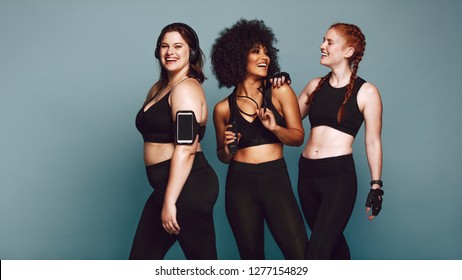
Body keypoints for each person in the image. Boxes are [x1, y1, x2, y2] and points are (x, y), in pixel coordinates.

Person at [210, 19, 309, 260]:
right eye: (256, 51)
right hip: (239, 184)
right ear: (236, 57)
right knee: (251, 259)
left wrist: (274, 128)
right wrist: (228, 147)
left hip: (275, 180)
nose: (264, 56)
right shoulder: (222, 108)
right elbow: (222, 157)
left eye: (266, 51)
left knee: (300, 256)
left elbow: (297, 138)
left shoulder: (279, 91)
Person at [130, 22, 219, 260]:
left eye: (178, 46)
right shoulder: (159, 88)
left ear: (191, 51)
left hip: (188, 187)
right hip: (168, 187)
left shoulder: (186, 90)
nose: (170, 52)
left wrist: (170, 202)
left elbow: (186, 148)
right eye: (164, 46)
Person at [296, 23, 383, 259]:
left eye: (329, 42)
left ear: (348, 51)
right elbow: (288, 119)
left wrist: (376, 186)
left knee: (315, 254)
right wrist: (279, 86)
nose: (322, 46)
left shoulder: (367, 92)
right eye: (323, 40)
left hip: (337, 179)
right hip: (306, 176)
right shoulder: (315, 86)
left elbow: (373, 141)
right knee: (333, 248)